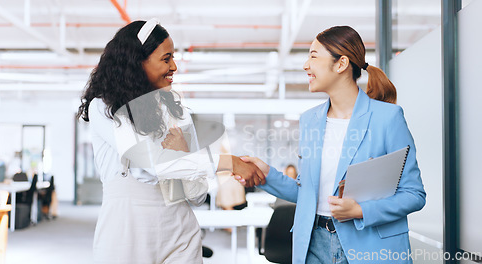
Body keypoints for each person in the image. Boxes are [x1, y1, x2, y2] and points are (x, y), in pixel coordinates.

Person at [77, 19, 264, 264]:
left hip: (180, 235)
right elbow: (153, 163)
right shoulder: (104, 108)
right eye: (166, 58)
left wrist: (183, 153)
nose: (174, 66)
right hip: (126, 237)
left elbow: (196, 196)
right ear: (137, 62)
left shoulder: (177, 113)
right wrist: (226, 161)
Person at [237, 26, 426, 264]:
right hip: (314, 244)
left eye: (313, 56)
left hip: (369, 247)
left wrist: (360, 211)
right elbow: (308, 193)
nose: (306, 65)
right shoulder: (310, 120)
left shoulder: (387, 118)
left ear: (341, 64)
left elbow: (414, 194)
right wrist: (266, 175)